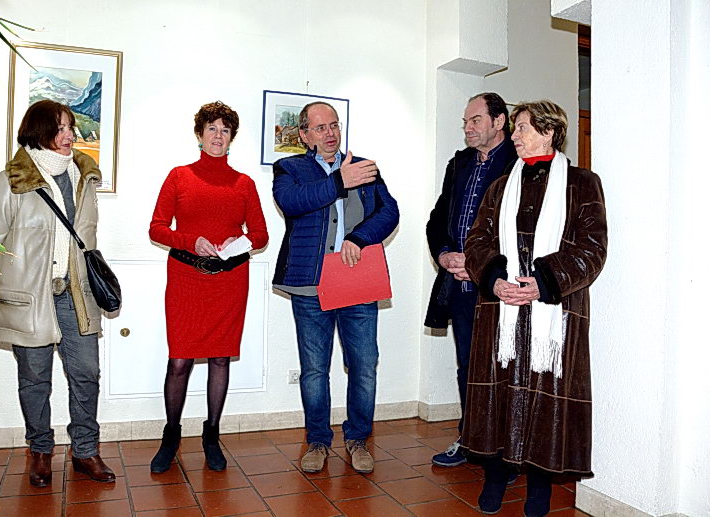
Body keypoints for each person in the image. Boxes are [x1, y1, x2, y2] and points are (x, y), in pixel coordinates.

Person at [461, 100, 607, 516]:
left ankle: (539, 488)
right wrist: (494, 279)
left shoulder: (582, 184)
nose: (516, 135)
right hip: (502, 309)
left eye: (523, 127)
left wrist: (543, 283)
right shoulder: (500, 185)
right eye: (516, 128)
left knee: (547, 402)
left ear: (549, 132)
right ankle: (494, 477)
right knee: (498, 396)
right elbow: (478, 240)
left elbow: (592, 248)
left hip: (554, 313)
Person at [0, 100, 114, 487]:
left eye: (71, 127)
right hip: (31, 299)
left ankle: (85, 451)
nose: (70, 135)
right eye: (61, 128)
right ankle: (40, 451)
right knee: (35, 379)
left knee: (86, 374)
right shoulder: (11, 181)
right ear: (39, 131)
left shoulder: (83, 177)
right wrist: (14, 282)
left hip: (76, 295)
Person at [272, 102, 399, 474]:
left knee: (364, 366)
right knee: (314, 369)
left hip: (356, 281)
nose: (330, 133)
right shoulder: (289, 168)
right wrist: (340, 181)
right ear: (304, 135)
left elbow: (389, 212)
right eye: (320, 128)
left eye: (334, 125)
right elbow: (292, 202)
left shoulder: (365, 167)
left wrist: (359, 237)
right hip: (309, 284)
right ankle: (317, 441)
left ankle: (358, 438)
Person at [148, 101, 268, 473]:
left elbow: (261, 235)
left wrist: (238, 243)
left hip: (229, 280)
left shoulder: (244, 184)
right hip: (186, 278)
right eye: (212, 128)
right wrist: (191, 241)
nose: (218, 135)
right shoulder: (179, 176)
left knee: (219, 358)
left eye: (225, 130)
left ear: (232, 138)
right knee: (179, 361)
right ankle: (171, 435)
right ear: (199, 135)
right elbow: (156, 228)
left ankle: (211, 435)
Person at [425, 92, 516, 468]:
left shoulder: (520, 162)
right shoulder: (459, 164)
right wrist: (444, 254)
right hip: (461, 288)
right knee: (468, 367)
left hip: (500, 288)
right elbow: (439, 216)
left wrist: (480, 264)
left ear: (499, 121)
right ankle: (471, 439)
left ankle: (508, 453)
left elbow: (520, 230)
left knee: (504, 369)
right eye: (465, 121)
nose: (468, 127)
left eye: (475, 120)